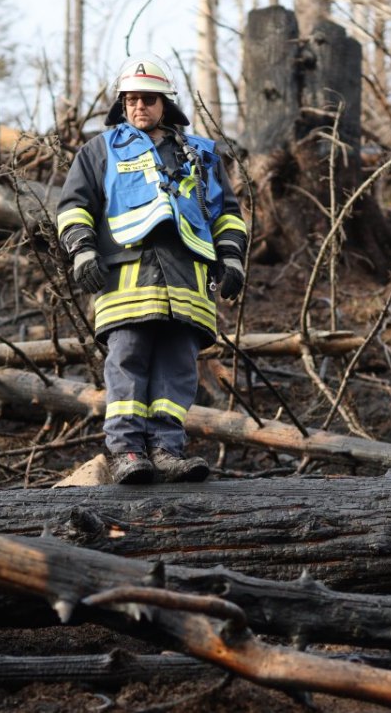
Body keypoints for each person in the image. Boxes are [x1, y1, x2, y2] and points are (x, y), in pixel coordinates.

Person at [56, 54, 249, 484]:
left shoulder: (201, 154)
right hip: (125, 279)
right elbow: (73, 206)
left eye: (148, 99)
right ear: (121, 105)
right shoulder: (100, 150)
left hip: (189, 282)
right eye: (131, 100)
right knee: (127, 361)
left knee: (178, 369)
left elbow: (227, 215)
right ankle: (126, 452)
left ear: (166, 104)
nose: (139, 107)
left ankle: (166, 449)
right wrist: (83, 251)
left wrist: (232, 259)